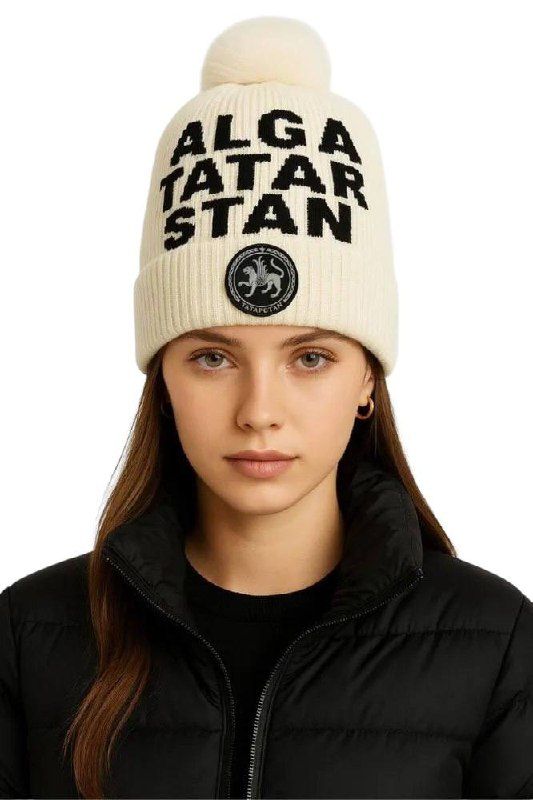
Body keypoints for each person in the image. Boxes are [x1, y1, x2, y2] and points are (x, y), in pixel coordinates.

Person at [1, 14, 532, 800]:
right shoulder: (28, 635)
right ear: (162, 378)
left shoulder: (494, 642)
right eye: (212, 357)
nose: (258, 411)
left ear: (366, 380)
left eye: (310, 358)